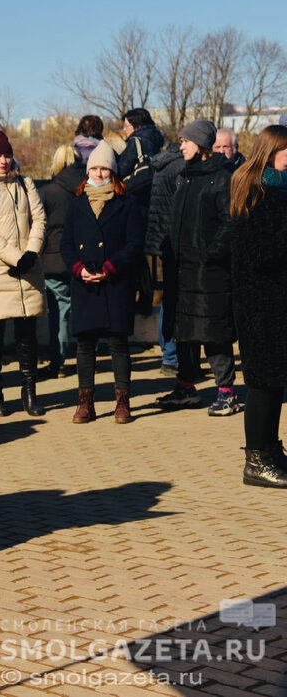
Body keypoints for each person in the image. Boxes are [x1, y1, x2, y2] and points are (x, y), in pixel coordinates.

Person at [156, 120, 239, 416]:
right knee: (184, 331)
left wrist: (210, 254)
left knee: (213, 331)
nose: (181, 146)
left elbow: (230, 223)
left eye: (185, 141)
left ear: (201, 145)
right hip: (181, 269)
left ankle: (227, 392)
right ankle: (186, 387)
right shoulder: (185, 176)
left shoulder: (222, 177)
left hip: (209, 272)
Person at [60, 143, 145, 423]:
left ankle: (123, 402)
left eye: (104, 168)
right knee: (85, 345)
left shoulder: (127, 202)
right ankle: (86, 403)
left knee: (118, 344)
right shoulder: (77, 203)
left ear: (113, 171)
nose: (98, 173)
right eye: (94, 168)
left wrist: (109, 268)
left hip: (115, 283)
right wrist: (79, 269)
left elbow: (134, 244)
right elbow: (66, 244)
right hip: (85, 284)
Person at [0, 129, 47, 417]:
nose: (2, 161)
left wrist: (31, 252)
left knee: (28, 336)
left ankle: (30, 393)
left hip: (28, 268)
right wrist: (15, 257)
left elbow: (40, 218)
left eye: (6, 155)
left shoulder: (25, 184)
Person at [230, 125, 287, 485]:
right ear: (272, 153)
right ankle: (256, 461)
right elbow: (261, 254)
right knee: (263, 383)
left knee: (275, 382)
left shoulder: (276, 192)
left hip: (275, 303)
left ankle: (270, 450)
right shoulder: (258, 194)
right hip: (261, 305)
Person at [38, 144, 86, 379]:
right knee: (82, 307)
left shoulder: (48, 192)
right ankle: (86, 356)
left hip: (54, 259)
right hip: (83, 257)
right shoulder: (87, 188)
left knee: (59, 311)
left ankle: (58, 360)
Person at [143, 139, 186, 376]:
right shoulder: (180, 167)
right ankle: (172, 357)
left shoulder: (161, 164)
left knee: (165, 299)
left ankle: (169, 356)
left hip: (158, 241)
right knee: (173, 300)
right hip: (173, 242)